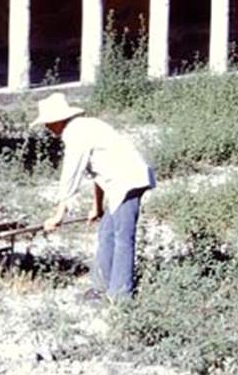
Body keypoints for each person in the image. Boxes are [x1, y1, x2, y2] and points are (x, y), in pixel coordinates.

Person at [35, 92, 156, 300]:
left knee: (122, 238)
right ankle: (100, 288)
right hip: (118, 183)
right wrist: (97, 207)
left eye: (48, 123)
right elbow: (98, 172)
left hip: (129, 180)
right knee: (106, 233)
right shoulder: (84, 127)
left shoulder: (76, 134)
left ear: (59, 120)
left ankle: (120, 297)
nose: (46, 128)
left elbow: (71, 175)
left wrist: (58, 216)